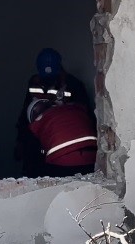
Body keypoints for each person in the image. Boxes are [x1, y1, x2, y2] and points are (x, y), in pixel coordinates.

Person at [15, 47, 94, 176]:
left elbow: (84, 117)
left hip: (63, 142)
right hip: (38, 140)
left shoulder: (73, 85)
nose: (48, 80)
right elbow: (26, 114)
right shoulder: (34, 83)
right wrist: (20, 141)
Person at [26, 98, 98, 176]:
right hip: (93, 156)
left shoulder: (37, 125)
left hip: (63, 161)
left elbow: (34, 156)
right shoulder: (74, 108)